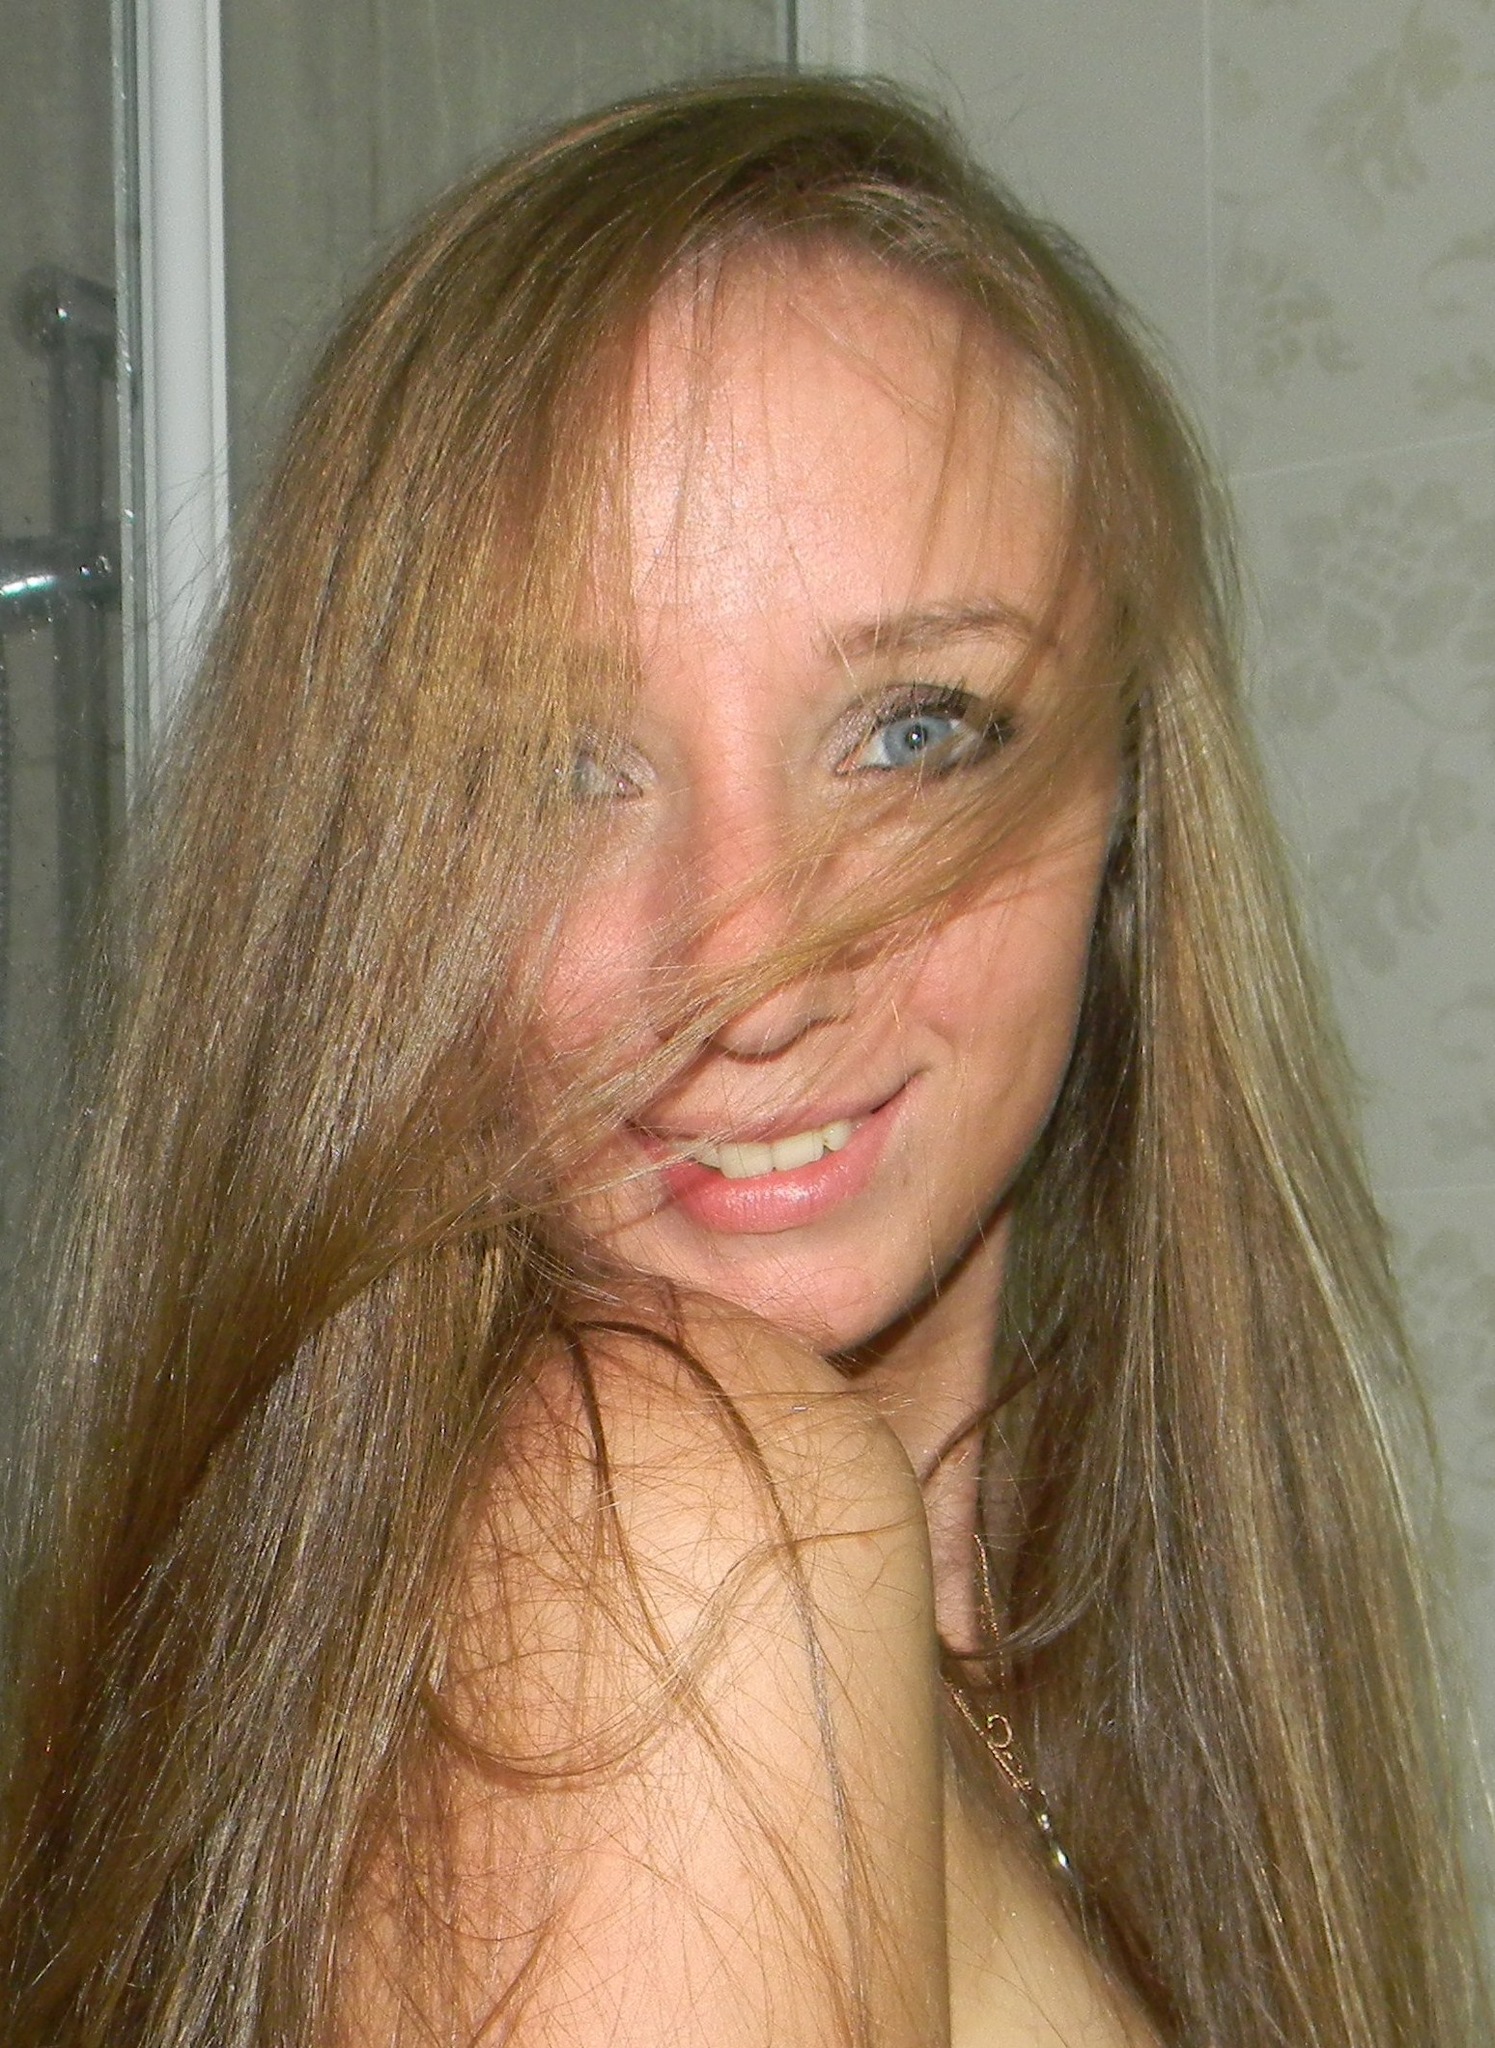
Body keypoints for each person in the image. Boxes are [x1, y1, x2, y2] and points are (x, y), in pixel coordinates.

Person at [0, 74, 1489, 2048]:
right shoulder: (668, 1549)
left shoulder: (1030, 1640)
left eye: (912, 732)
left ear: (1124, 789)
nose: (741, 962)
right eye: (564, 765)